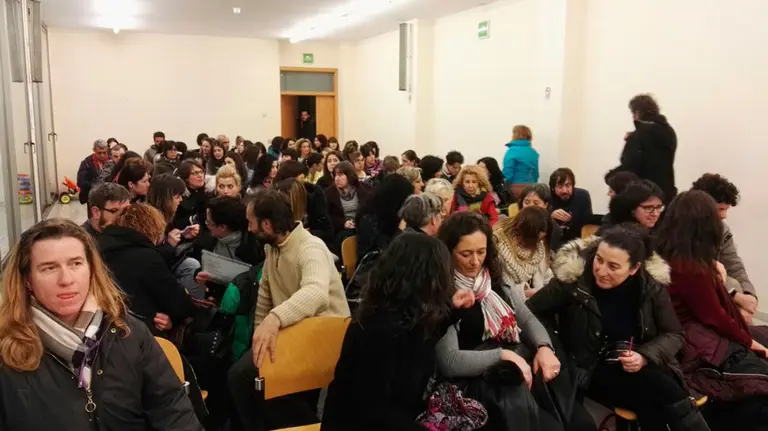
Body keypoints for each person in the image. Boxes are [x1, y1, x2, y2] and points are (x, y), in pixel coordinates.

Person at [0, 218, 202, 430]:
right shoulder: (7, 352)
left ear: (91, 269)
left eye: (75, 264)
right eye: (49, 268)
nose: (66, 279)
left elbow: (173, 410)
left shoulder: (128, 333)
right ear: (27, 280)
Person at [527, 224, 708, 431]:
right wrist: (549, 346)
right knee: (662, 390)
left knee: (652, 399)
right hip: (588, 367)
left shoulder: (649, 286)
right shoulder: (575, 280)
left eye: (613, 267)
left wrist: (644, 356)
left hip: (635, 362)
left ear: (634, 269)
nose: (601, 271)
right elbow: (530, 312)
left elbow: (674, 333)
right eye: (599, 259)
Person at [435, 212, 569, 431]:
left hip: (510, 375)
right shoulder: (443, 290)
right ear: (448, 252)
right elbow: (449, 361)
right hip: (475, 384)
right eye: (465, 254)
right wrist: (504, 355)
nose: (475, 261)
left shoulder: (492, 279)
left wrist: (544, 347)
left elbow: (525, 318)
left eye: (481, 252)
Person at [228, 191, 350, 430]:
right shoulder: (272, 248)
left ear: (266, 224)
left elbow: (315, 293)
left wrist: (274, 319)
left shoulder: (310, 248)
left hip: (323, 336)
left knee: (245, 379)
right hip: (294, 333)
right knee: (248, 376)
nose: (249, 229)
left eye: (251, 223)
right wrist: (258, 340)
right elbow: (265, 295)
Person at [322, 233, 461, 431]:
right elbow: (372, 412)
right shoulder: (377, 330)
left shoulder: (409, 316)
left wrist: (456, 308)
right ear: (424, 278)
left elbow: (427, 338)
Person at [655, 191, 768, 431]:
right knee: (758, 370)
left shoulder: (668, 252)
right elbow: (714, 316)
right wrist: (750, 342)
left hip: (692, 334)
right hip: (694, 342)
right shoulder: (689, 266)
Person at [97, 203, 197, 336]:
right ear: (151, 229)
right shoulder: (147, 257)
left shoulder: (99, 246)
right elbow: (178, 304)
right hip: (141, 329)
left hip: (106, 323)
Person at [691, 173, 758, 323]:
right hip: (695, 292)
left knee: (737, 285)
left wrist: (749, 295)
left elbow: (734, 264)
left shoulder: (722, 230)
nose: (724, 216)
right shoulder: (681, 228)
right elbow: (692, 269)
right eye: (720, 209)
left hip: (719, 290)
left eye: (726, 209)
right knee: (732, 284)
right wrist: (735, 295)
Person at [191, 197, 265, 301]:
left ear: (222, 227)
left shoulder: (255, 246)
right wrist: (198, 275)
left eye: (209, 222)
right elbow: (202, 267)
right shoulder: (206, 242)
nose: (207, 225)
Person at [609, 94, 678, 202]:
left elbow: (629, 168)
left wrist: (610, 178)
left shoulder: (639, 135)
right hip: (666, 194)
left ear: (637, 113)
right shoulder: (670, 132)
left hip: (643, 197)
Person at [494, 206, 552, 301]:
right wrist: (525, 293)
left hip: (536, 299)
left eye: (540, 239)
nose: (538, 243)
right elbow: (501, 289)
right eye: (534, 239)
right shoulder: (499, 246)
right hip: (514, 303)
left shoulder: (539, 247)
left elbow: (546, 274)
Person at [356, 174, 414, 261]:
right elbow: (383, 254)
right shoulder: (369, 219)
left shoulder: (395, 215)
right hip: (373, 267)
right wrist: (400, 231)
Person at [275, 176, 335, 249]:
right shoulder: (282, 208)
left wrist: (309, 232)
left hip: (315, 246)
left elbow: (328, 232)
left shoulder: (315, 204)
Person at [325, 161, 372, 241]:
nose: (337, 179)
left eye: (340, 175)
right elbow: (327, 216)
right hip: (341, 229)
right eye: (335, 175)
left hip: (362, 227)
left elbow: (370, 211)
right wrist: (343, 223)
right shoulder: (329, 193)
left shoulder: (365, 189)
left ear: (349, 175)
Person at [549, 168, 593, 242]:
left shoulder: (583, 195)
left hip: (577, 240)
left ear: (573, 185)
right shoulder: (548, 197)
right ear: (553, 188)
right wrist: (550, 217)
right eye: (560, 187)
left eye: (568, 185)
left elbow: (588, 223)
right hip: (554, 241)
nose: (564, 190)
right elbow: (540, 225)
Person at [502, 125, 540, 200]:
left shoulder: (512, 151)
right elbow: (535, 173)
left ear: (515, 135)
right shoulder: (533, 152)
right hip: (532, 187)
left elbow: (508, 173)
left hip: (515, 188)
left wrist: (504, 187)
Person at [172, 160, 209, 231]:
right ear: (186, 177)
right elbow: (175, 223)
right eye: (195, 173)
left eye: (201, 172)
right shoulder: (178, 196)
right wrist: (193, 219)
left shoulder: (207, 192)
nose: (200, 175)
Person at [77, 139, 114, 205]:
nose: (102, 155)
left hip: (110, 198)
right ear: (94, 150)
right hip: (92, 198)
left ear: (107, 150)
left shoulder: (114, 161)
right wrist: (95, 185)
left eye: (104, 152)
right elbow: (80, 182)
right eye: (99, 153)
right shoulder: (86, 163)